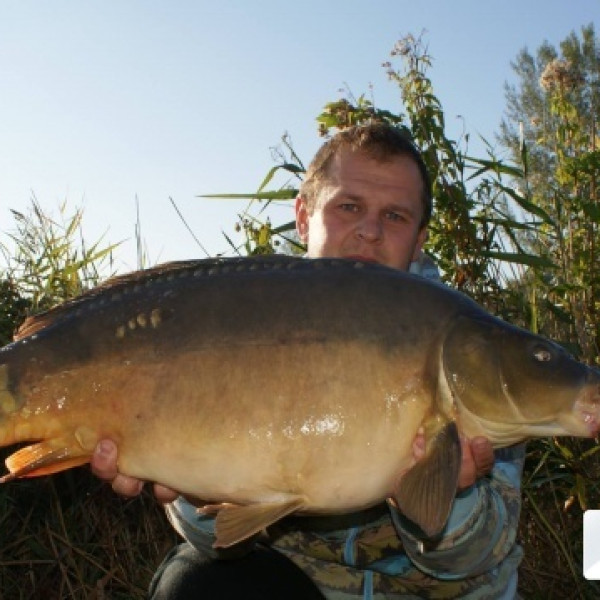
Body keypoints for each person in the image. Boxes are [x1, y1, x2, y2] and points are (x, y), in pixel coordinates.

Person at [92, 123, 525, 599]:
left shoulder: (466, 343)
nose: (370, 231)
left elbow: (478, 557)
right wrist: (201, 494)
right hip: (300, 588)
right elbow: (216, 540)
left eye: (395, 216)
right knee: (196, 583)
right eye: (349, 207)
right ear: (303, 216)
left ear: (419, 238)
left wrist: (447, 493)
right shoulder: (239, 319)